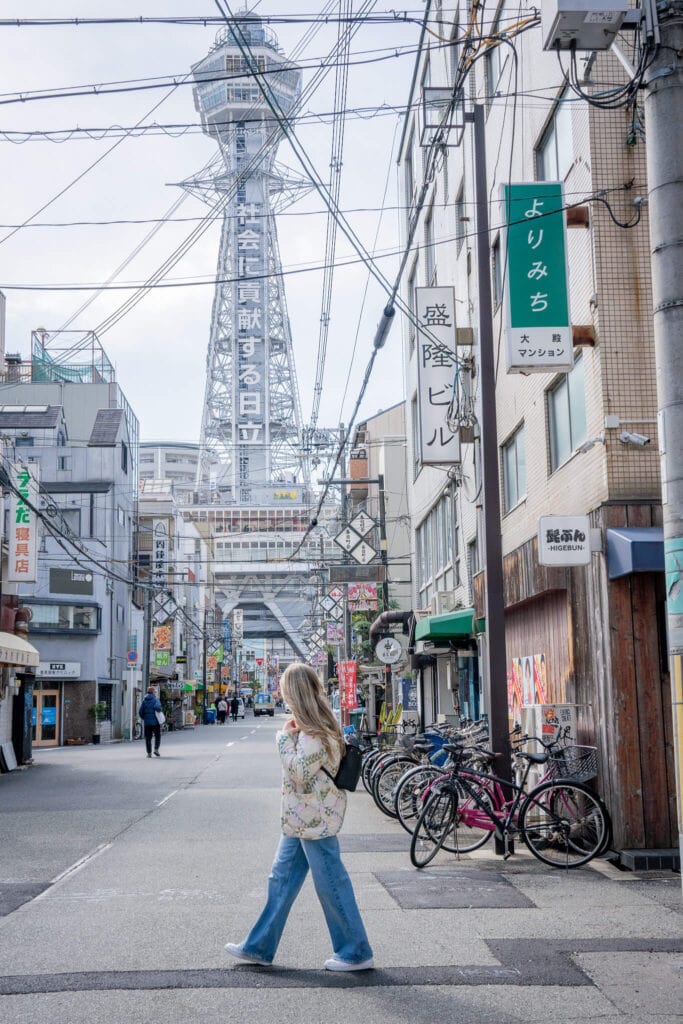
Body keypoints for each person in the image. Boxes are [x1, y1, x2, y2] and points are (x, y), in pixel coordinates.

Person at [224, 662, 373, 972]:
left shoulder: (315, 730)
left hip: (313, 819)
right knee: (280, 880)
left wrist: (282, 740)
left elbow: (300, 772)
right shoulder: (310, 727)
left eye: (285, 690)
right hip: (301, 818)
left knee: (331, 882)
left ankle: (356, 951)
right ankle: (259, 946)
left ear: (294, 693)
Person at [138, 686, 162, 758]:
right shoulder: (156, 699)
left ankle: (149, 753)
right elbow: (158, 708)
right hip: (155, 722)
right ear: (153, 692)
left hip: (147, 723)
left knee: (148, 738)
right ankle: (156, 749)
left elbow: (140, 712)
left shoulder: (144, 701)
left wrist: (144, 718)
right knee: (157, 736)